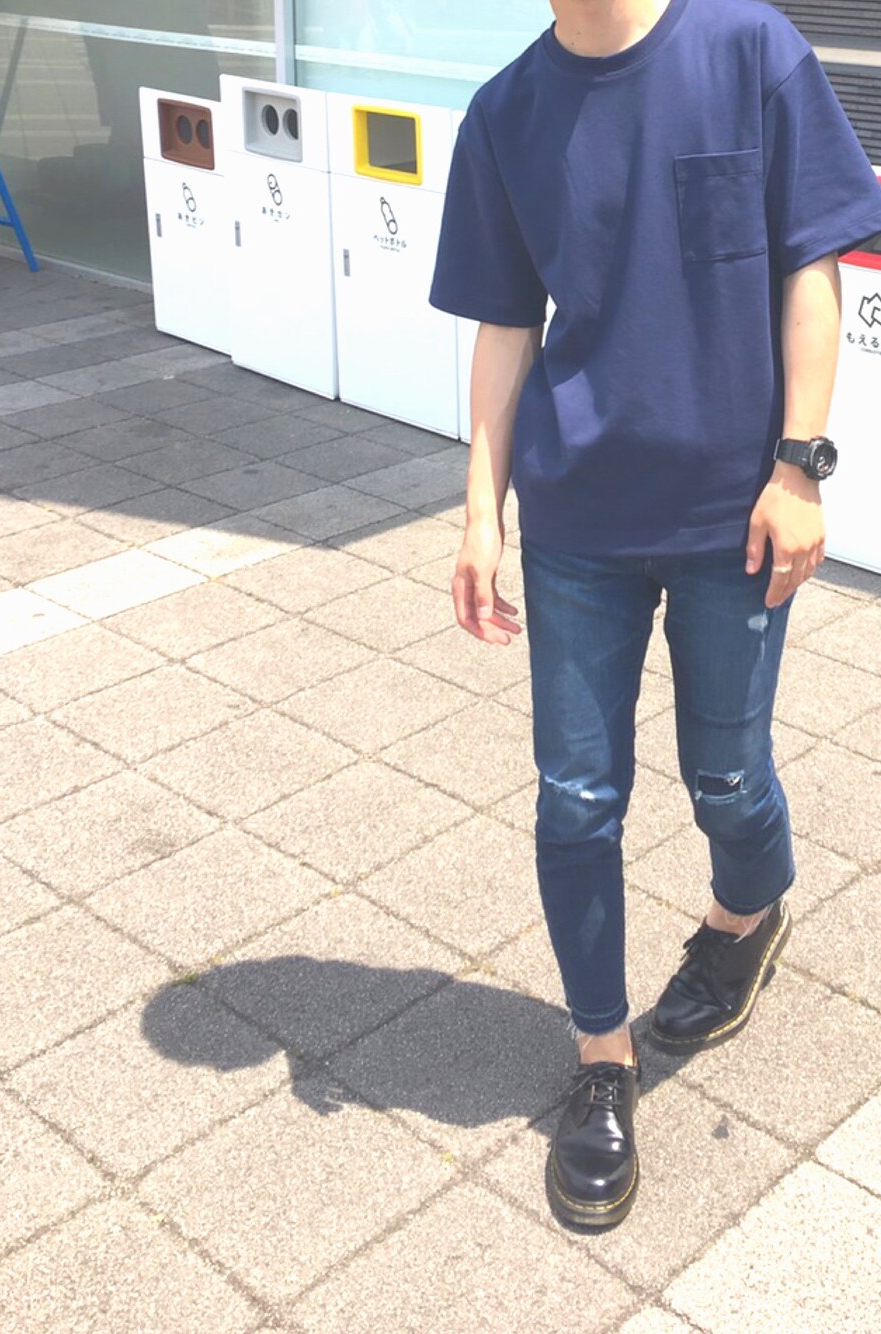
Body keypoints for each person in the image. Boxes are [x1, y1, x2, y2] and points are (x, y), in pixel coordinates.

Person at [430, 0, 881, 1228]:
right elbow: (505, 327)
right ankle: (599, 1054)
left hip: (735, 513)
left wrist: (800, 466)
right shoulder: (507, 112)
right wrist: (480, 513)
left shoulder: (750, 50)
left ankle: (747, 910)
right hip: (576, 518)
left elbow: (809, 269)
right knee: (576, 795)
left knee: (726, 776)